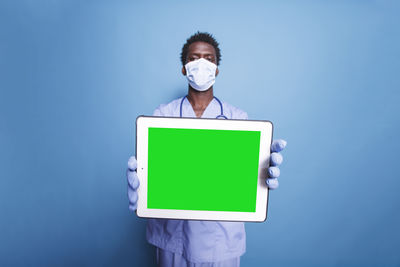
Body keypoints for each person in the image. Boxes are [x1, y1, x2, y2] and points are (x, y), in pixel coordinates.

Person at [127, 32, 287, 267]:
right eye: (194, 58)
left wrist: (261, 173)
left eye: (209, 59)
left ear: (217, 69)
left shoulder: (237, 118)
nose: (202, 64)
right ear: (184, 67)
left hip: (221, 240)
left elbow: (240, 179)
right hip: (173, 240)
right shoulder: (163, 115)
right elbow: (156, 172)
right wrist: (139, 180)